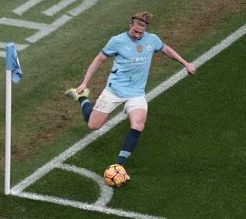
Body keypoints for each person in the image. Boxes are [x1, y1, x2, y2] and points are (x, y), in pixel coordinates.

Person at [65, 12, 196, 177]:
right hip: (114, 91)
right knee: (93, 125)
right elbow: (98, 60)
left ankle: (118, 166)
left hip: (136, 93)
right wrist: (84, 83)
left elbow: (166, 49)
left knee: (138, 124)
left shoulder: (152, 39)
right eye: (135, 31)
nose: (138, 35)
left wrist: (185, 63)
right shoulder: (117, 41)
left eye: (141, 32)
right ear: (130, 24)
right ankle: (82, 97)